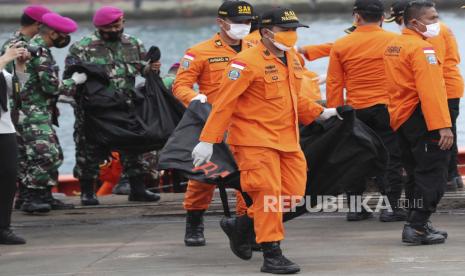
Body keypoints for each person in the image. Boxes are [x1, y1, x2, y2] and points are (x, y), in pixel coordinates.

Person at [192, 7, 340, 274]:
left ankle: (241, 225)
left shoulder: (292, 58)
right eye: (286, 30)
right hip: (254, 141)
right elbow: (224, 103)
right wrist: (208, 140)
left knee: (294, 195)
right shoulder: (245, 62)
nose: (291, 35)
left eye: (295, 30)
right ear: (267, 32)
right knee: (268, 196)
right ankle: (272, 253)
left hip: (287, 140)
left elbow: (295, 98)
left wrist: (321, 113)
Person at [173, 1, 255, 247]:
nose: (244, 27)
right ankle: (194, 222)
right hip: (213, 122)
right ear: (221, 22)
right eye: (239, 22)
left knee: (249, 177)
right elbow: (180, 85)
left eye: (248, 22)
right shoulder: (199, 51)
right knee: (203, 176)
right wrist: (194, 99)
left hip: (249, 124)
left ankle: (245, 227)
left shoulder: (257, 48)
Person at [62, 6, 161, 206]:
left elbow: (143, 70)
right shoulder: (83, 47)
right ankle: (88, 192)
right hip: (95, 108)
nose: (116, 30)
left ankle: (138, 189)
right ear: (100, 28)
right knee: (88, 148)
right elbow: (70, 78)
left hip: (125, 104)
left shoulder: (133, 43)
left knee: (133, 146)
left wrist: (152, 68)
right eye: (110, 28)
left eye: (118, 25)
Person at [326, 0, 406, 222]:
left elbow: (334, 84)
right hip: (387, 108)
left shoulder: (341, 45)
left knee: (355, 157)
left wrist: (337, 113)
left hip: (356, 109)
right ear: (382, 18)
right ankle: (391, 207)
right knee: (391, 157)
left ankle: (355, 208)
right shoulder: (396, 41)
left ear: (356, 17)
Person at [384, 0, 453, 245]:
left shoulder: (393, 45)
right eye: (433, 18)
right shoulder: (423, 50)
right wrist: (443, 125)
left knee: (414, 173)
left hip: (402, 117)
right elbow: (431, 90)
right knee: (433, 172)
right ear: (414, 22)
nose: (437, 23)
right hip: (423, 117)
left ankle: (417, 221)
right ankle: (418, 225)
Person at [385, 0, 464, 191]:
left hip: (443, 88)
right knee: (447, 134)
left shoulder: (429, 35)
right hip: (445, 85)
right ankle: (450, 178)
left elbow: (430, 71)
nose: (398, 25)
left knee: (445, 136)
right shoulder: (434, 30)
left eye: (398, 20)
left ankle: (449, 177)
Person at [18, 13, 79, 213]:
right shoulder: (39, 52)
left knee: (54, 154)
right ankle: (32, 198)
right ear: (53, 33)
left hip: (38, 109)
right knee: (43, 154)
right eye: (63, 35)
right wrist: (74, 82)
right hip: (31, 111)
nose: (65, 39)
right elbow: (51, 87)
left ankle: (44, 195)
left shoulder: (34, 47)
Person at [0, 5, 54, 210]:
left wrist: (21, 66)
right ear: (38, 24)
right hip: (22, 111)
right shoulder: (13, 45)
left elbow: (14, 83)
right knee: (42, 154)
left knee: (18, 160)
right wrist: (7, 58)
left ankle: (27, 199)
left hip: (13, 115)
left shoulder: (26, 45)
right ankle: (30, 196)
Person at [0, 45, 28, 244]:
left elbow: (16, 90)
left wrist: (19, 65)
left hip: (4, 128)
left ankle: (4, 228)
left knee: (8, 177)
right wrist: (5, 58)